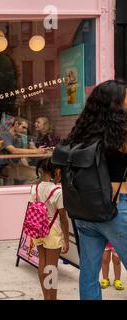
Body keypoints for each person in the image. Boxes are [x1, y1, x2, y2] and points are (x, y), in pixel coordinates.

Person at [62, 79, 127, 300]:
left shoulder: (81, 133)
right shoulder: (121, 134)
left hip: (85, 212)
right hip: (116, 210)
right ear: (116, 104)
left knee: (89, 276)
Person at [31, 158, 70, 300]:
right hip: (53, 231)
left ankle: (46, 296)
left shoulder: (35, 188)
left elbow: (31, 208)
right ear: (56, 171)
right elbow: (63, 218)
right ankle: (51, 298)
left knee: (42, 262)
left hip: (37, 229)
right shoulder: (58, 191)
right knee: (52, 267)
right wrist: (66, 238)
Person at [0, 117, 48, 184]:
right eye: (23, 127)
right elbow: (14, 151)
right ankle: (25, 192)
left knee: (41, 172)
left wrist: (28, 167)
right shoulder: (3, 135)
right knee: (36, 175)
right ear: (16, 124)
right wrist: (37, 151)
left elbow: (22, 157)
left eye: (26, 128)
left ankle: (24, 189)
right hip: (4, 168)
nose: (24, 130)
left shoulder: (19, 137)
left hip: (15, 166)